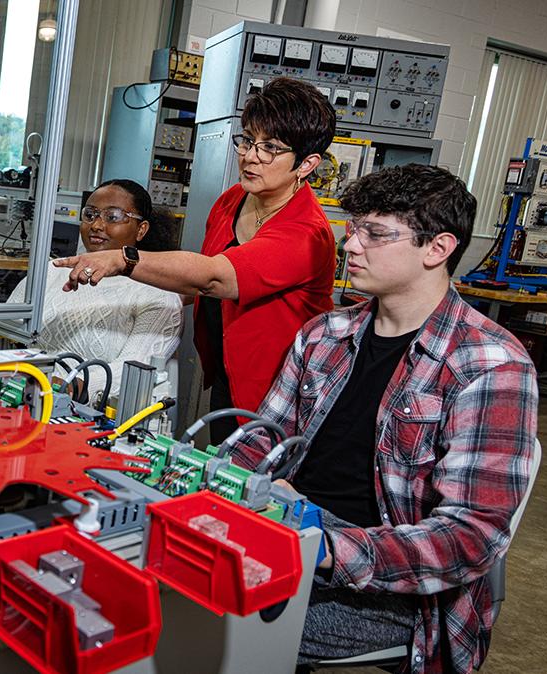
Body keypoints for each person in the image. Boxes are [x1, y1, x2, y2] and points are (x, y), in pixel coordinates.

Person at [226, 165, 538, 673]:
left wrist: (324, 548)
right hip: (290, 525)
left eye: (375, 234)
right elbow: (262, 443)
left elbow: (471, 535)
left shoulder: (489, 364)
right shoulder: (324, 334)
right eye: (353, 229)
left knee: (213, 614)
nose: (351, 245)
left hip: (393, 585)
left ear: (437, 248)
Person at [56, 77, 337, 443]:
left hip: (277, 389)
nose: (250, 156)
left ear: (307, 163)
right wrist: (126, 300)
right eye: (248, 140)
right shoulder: (232, 200)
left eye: (270, 148)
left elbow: (213, 277)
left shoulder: (306, 232)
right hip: (227, 373)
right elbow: (196, 283)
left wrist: (124, 260)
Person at [7, 178, 181, 403]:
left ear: (141, 230)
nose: (97, 225)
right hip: (25, 392)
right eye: (90, 215)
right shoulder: (52, 271)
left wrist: (71, 385)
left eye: (113, 217)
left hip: (93, 411)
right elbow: (6, 328)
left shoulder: (159, 295)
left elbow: (134, 369)